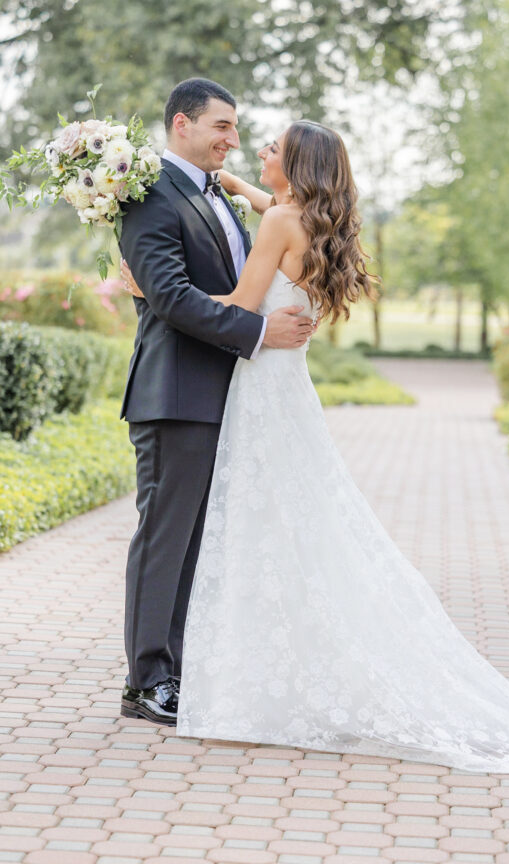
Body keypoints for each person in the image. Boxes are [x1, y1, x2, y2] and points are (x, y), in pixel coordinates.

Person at [121, 119, 509, 773]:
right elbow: (265, 202)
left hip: (260, 382)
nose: (259, 152)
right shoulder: (307, 219)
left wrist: (153, 295)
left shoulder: (278, 223)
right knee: (298, 517)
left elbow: (244, 306)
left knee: (266, 518)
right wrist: (237, 183)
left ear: (298, 166)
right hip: (286, 387)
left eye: (272, 148)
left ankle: (249, 664)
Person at [118, 79, 315, 726]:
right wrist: (258, 332)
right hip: (175, 394)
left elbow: (225, 284)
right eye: (222, 127)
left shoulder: (214, 194)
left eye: (235, 129)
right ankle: (147, 682)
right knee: (165, 539)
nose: (232, 140)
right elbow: (173, 298)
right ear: (182, 124)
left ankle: (173, 671)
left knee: (194, 544)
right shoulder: (148, 194)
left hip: (218, 393)